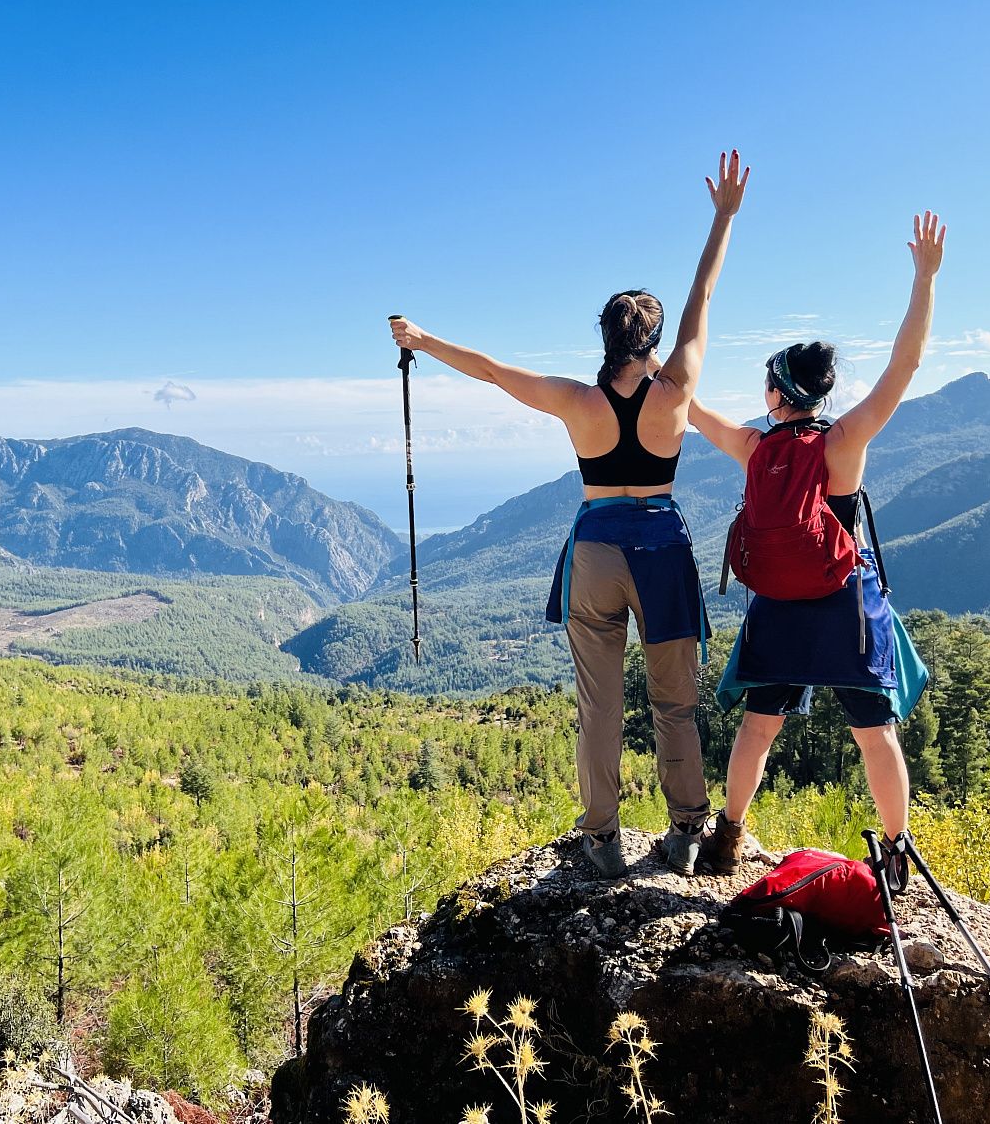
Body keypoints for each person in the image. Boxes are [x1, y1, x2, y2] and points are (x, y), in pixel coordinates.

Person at [389, 150, 750, 878]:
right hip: (661, 546)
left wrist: (423, 340)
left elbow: (492, 369)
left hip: (594, 551)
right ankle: (684, 831)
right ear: (647, 344)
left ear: (604, 338)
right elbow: (703, 298)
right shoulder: (675, 387)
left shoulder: (575, 401)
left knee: (600, 706)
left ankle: (603, 839)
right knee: (674, 700)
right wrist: (723, 218)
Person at [688, 211, 946, 879]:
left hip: (777, 602)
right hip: (844, 605)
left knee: (759, 724)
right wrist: (924, 279)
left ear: (777, 391)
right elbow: (906, 363)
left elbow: (687, 403)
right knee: (873, 732)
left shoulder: (753, 447)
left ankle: (729, 834)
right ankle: (895, 854)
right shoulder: (844, 443)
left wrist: (660, 359)